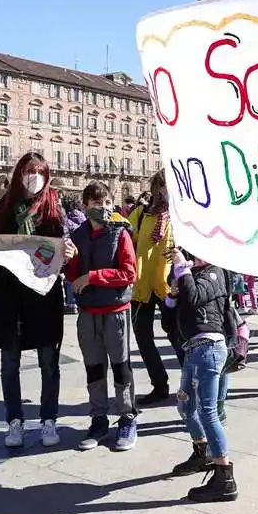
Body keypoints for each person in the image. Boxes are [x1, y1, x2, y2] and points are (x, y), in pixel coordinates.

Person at [0, 154, 67, 450]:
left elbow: (62, 246)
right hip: (8, 294)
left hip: (43, 293)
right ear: (19, 174)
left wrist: (68, 252)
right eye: (30, 171)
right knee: (9, 362)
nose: (35, 177)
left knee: (48, 361)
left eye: (40, 172)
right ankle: (14, 421)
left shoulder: (54, 207)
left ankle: (48, 419)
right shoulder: (4, 207)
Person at [66, 181, 140, 451]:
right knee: (94, 367)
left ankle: (127, 417)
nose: (103, 208)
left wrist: (93, 277)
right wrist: (70, 261)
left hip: (115, 311)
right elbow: (72, 277)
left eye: (107, 203)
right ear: (86, 206)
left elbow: (129, 274)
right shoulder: (77, 236)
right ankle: (98, 418)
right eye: (97, 204)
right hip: (88, 313)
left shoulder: (120, 234)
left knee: (121, 366)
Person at [166, 248, 238, 501]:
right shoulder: (193, 273)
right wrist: (172, 294)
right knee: (186, 406)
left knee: (208, 411)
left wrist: (182, 269)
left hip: (209, 347)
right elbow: (177, 309)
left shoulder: (214, 273)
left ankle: (224, 476)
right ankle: (202, 453)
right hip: (193, 348)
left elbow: (195, 297)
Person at [127, 170, 180, 405]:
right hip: (142, 287)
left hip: (170, 287)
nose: (167, 190)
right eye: (165, 185)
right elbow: (125, 240)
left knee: (178, 337)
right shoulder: (139, 214)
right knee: (143, 338)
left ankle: (193, 385)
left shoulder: (182, 216)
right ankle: (159, 385)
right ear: (157, 187)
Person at [62, 196, 87, 314]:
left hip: (71, 248)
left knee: (69, 278)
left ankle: (72, 303)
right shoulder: (82, 216)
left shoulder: (67, 217)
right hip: (82, 247)